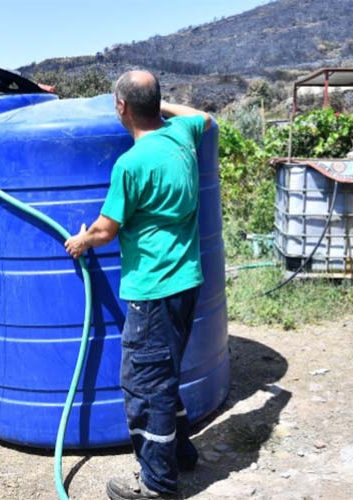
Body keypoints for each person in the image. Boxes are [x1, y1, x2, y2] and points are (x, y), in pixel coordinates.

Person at [64, 70, 212, 500]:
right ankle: (180, 453)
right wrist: (158, 104)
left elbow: (106, 230)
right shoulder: (182, 136)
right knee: (164, 375)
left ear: (121, 108)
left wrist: (81, 240)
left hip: (152, 290)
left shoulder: (130, 164)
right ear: (156, 103)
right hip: (187, 282)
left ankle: (157, 487)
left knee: (146, 387)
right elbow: (202, 115)